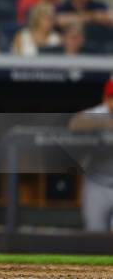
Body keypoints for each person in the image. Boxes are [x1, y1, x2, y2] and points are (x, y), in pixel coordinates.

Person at [69, 80, 113, 232]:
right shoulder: (100, 113)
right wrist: (107, 124)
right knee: (94, 232)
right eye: (112, 97)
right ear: (105, 99)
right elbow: (75, 123)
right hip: (97, 183)